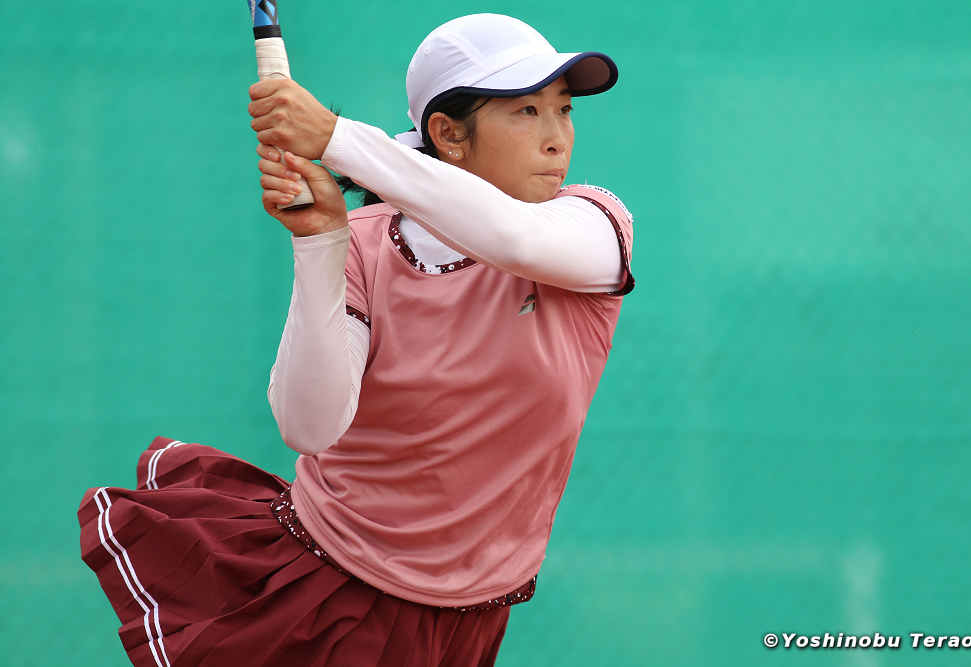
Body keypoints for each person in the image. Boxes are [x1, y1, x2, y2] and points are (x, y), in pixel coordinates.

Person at [78, 13, 634, 667]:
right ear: (448, 134)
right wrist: (320, 242)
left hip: (476, 613)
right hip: (334, 594)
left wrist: (334, 137)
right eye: (527, 112)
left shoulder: (592, 225)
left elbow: (515, 237)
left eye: (563, 110)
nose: (556, 138)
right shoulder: (366, 245)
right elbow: (309, 424)